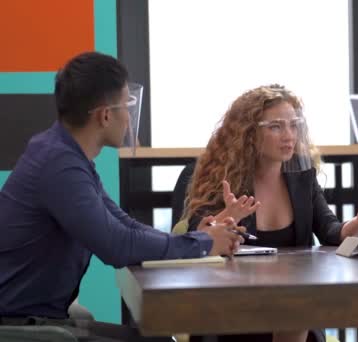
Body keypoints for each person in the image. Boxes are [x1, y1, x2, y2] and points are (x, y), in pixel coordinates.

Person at [0, 52, 245, 342]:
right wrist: (203, 243)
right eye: (126, 106)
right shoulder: (59, 164)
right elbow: (117, 245)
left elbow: (123, 224)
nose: (129, 118)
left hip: (41, 318)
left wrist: (198, 240)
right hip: (24, 325)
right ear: (105, 115)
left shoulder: (63, 154)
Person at [182, 84, 358, 342]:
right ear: (249, 134)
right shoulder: (224, 181)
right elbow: (193, 239)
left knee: (296, 313)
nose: (289, 135)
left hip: (293, 308)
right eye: (276, 126)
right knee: (293, 316)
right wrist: (223, 220)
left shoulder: (302, 179)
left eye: (294, 125)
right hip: (235, 313)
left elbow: (331, 233)